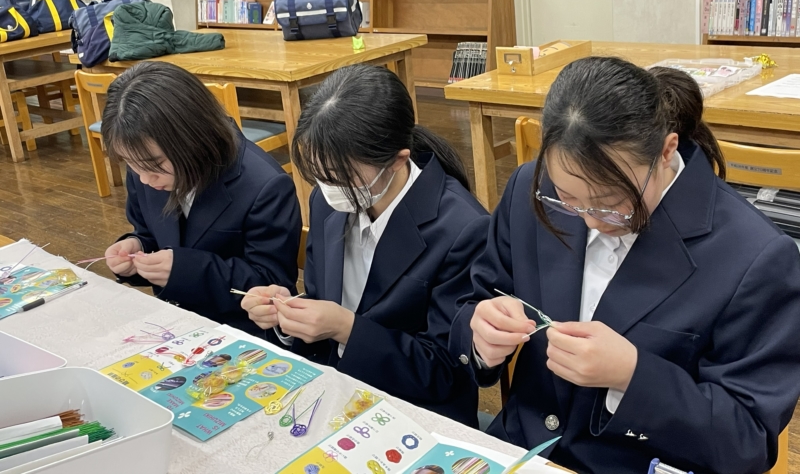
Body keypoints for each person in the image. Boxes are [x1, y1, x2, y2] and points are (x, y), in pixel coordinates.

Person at [451, 58, 800, 474]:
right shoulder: (532, 189)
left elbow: (747, 442)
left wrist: (632, 377)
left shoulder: (754, 257)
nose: (590, 222)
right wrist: (481, 338)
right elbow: (473, 301)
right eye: (568, 199)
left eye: (613, 203)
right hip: (520, 452)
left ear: (666, 151)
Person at [241, 64, 488, 426]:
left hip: (415, 413)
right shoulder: (329, 200)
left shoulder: (462, 228)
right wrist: (287, 314)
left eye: (339, 176)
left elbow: (445, 372)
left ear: (398, 160)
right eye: (319, 175)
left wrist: (346, 328)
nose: (328, 188)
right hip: (335, 393)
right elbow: (325, 301)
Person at [102, 62, 301, 338]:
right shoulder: (144, 167)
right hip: (173, 324)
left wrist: (183, 270)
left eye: (154, 165)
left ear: (192, 138)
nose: (144, 178)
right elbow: (150, 234)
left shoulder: (264, 186)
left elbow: (271, 285)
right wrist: (136, 250)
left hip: (240, 333)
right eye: (130, 164)